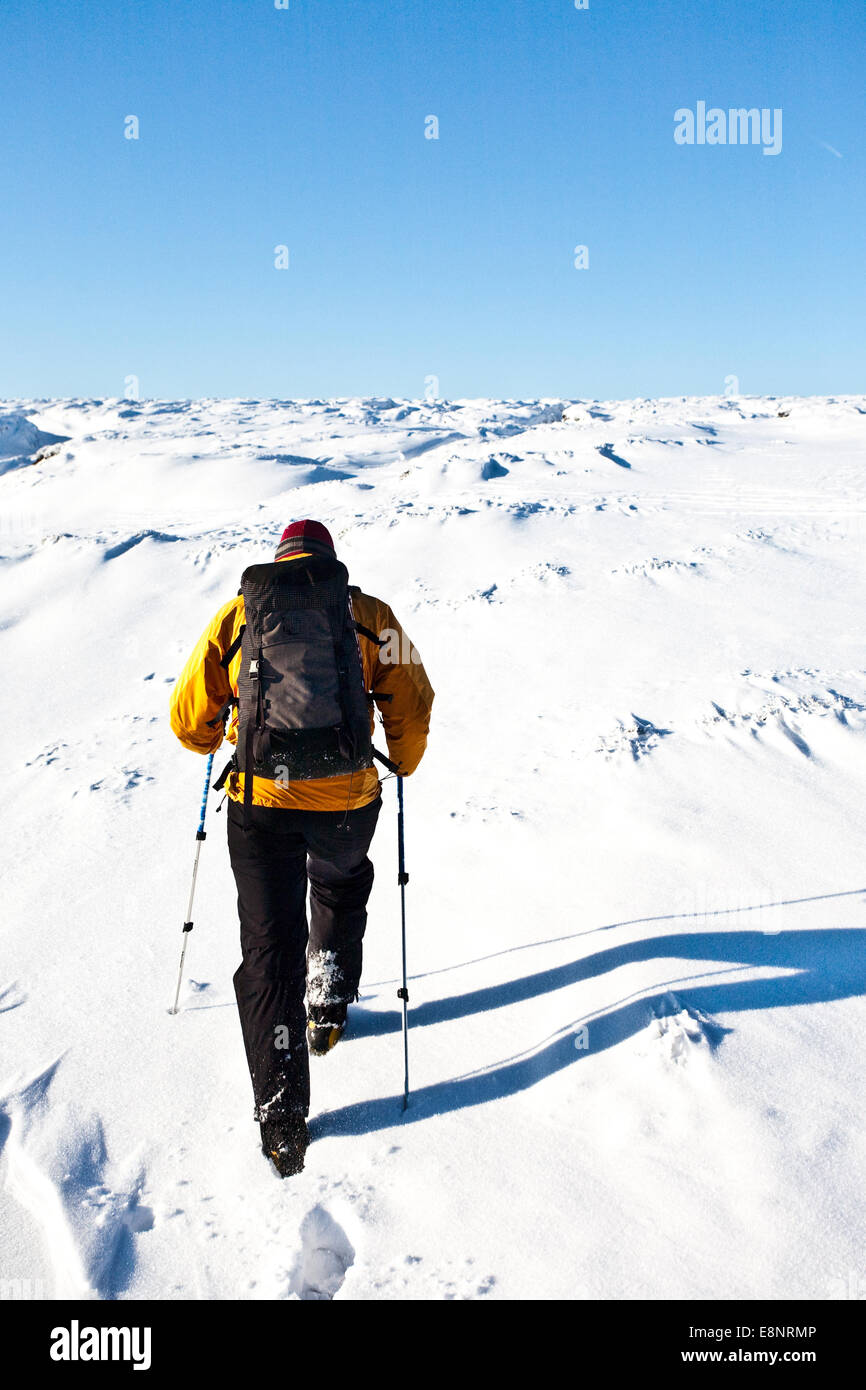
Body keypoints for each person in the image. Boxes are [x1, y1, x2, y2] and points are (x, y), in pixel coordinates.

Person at [169, 519, 434, 1175]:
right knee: (340, 885)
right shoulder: (370, 614)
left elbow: (188, 717)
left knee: (268, 944)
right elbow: (412, 697)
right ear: (330, 562)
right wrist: (402, 758)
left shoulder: (238, 617)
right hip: (347, 799)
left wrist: (212, 741)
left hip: (262, 803)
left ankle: (283, 1113)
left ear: (279, 562)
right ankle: (327, 1004)